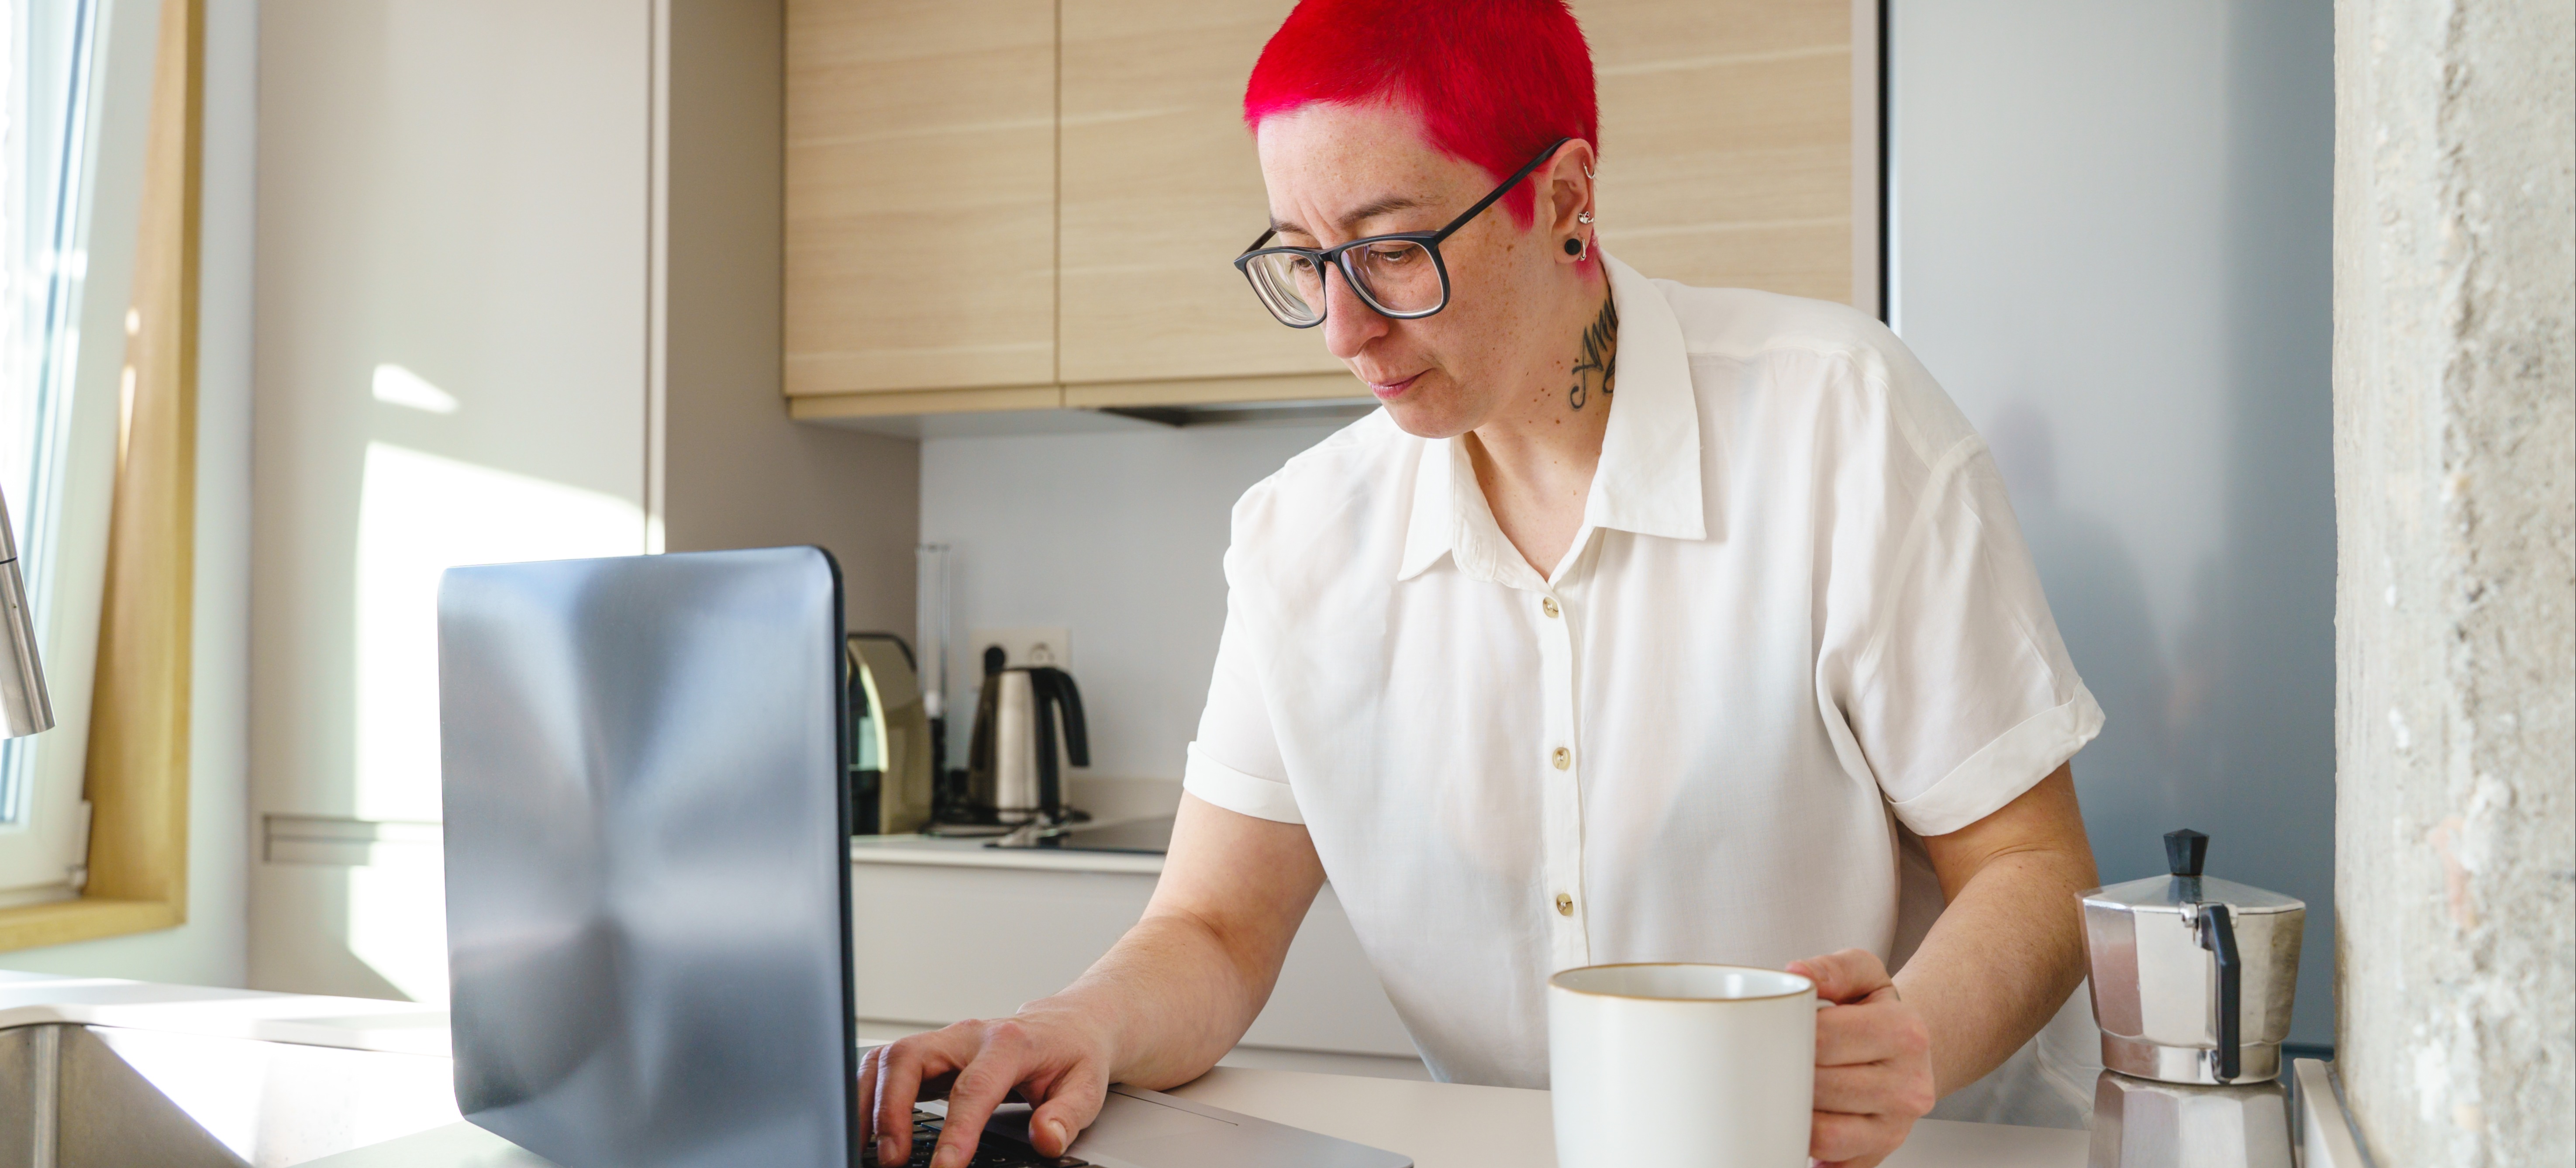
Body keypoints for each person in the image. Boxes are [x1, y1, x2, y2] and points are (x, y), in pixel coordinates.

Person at [859, 3, 2103, 1166]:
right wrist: (1079, 1021)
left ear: (1562, 196)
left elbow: (2036, 869)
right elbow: (1214, 928)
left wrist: (1911, 1039)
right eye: (1304, 262)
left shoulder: (1840, 422)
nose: (1344, 330)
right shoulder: (1299, 539)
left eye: (1392, 251)